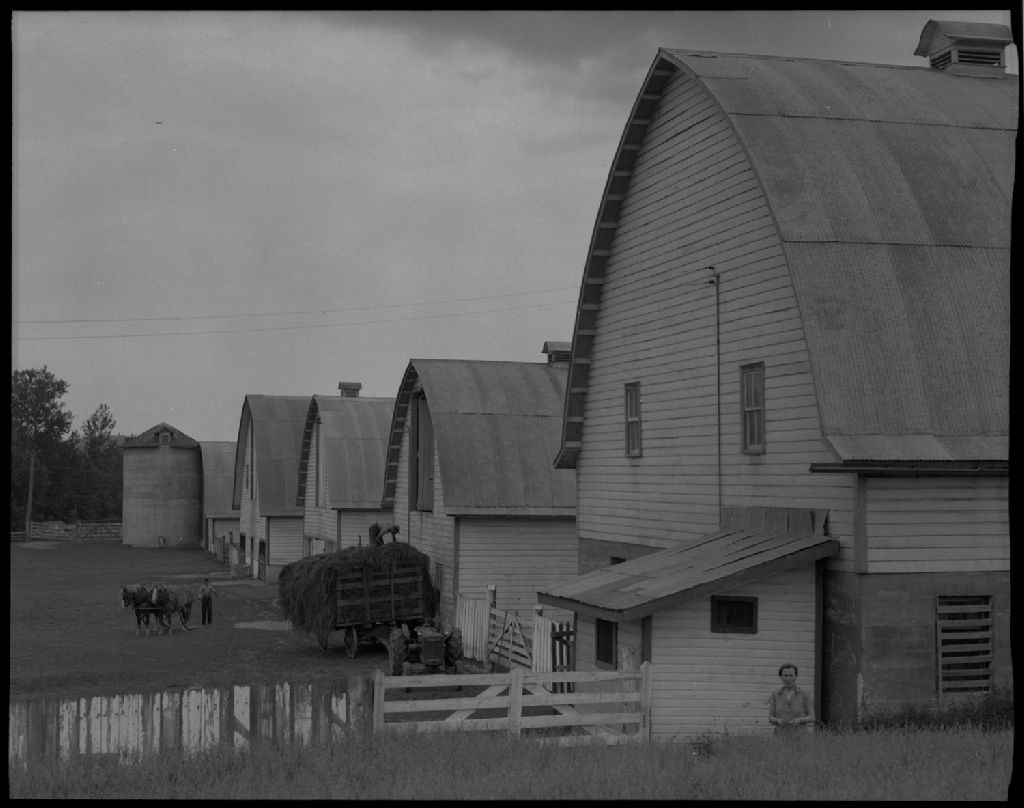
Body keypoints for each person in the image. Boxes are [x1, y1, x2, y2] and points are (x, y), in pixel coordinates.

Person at [768, 663, 815, 735]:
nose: (788, 679)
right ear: (781, 677)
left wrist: (799, 720)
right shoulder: (775, 694)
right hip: (780, 736)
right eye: (785, 675)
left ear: (796, 677)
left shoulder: (806, 694)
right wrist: (777, 721)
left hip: (801, 736)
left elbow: (812, 717)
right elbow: (770, 718)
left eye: (791, 675)